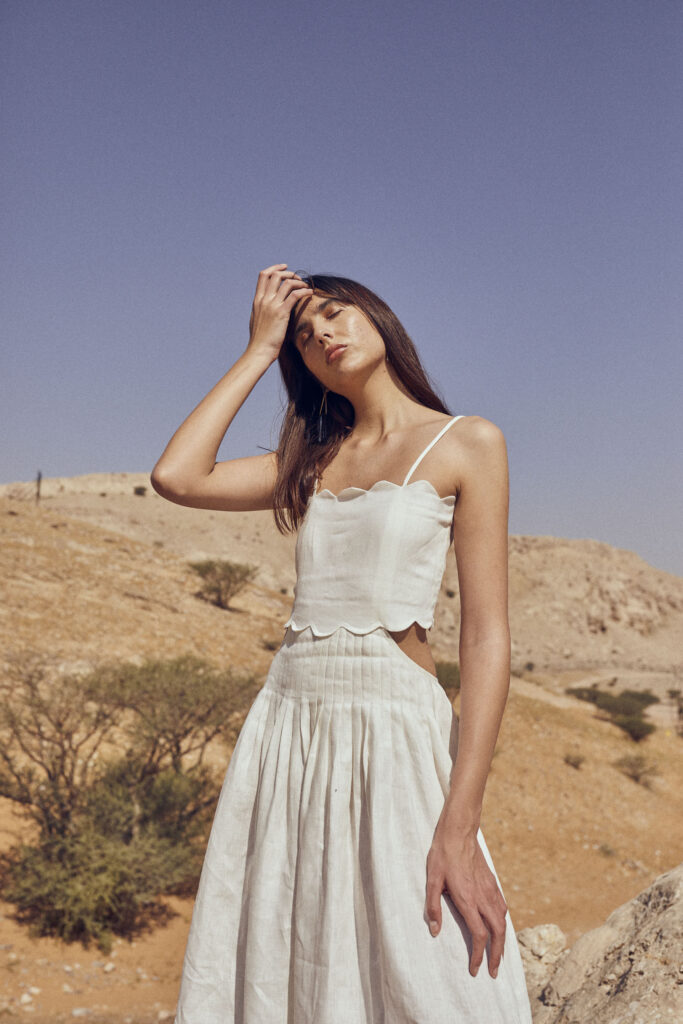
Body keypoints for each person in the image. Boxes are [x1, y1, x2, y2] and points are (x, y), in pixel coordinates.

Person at [151, 264, 533, 1023]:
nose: (321, 333)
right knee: (292, 955)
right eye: (303, 332)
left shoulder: (467, 442)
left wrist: (460, 824)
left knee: (435, 967)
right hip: (290, 724)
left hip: (394, 728)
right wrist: (260, 349)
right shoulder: (311, 460)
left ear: (377, 318)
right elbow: (176, 475)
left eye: (333, 313)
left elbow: (487, 639)